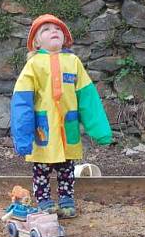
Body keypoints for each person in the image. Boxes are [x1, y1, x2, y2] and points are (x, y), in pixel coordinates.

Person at [10, 14, 112, 218]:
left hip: (68, 127)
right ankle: (44, 200)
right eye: (46, 30)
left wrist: (100, 130)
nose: (53, 32)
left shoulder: (73, 62)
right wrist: (23, 137)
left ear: (64, 37)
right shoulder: (34, 65)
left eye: (57, 29)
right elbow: (22, 102)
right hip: (43, 129)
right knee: (42, 169)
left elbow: (88, 98)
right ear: (36, 42)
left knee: (67, 169)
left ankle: (66, 199)